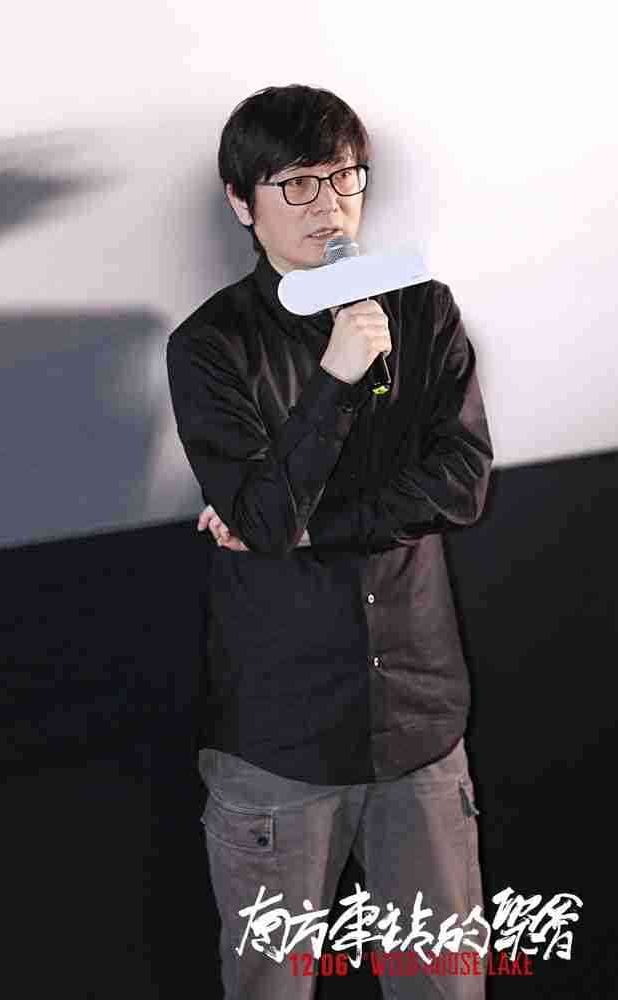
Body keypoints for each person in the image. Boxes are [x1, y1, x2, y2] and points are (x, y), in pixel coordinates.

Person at [166, 83, 493, 999]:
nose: (330, 206)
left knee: (444, 983)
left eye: (344, 178)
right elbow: (263, 520)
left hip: (419, 722)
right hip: (280, 736)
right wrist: (334, 377)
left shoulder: (421, 309)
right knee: (271, 985)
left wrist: (313, 521)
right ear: (243, 202)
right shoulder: (210, 346)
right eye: (298, 185)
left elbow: (463, 482)